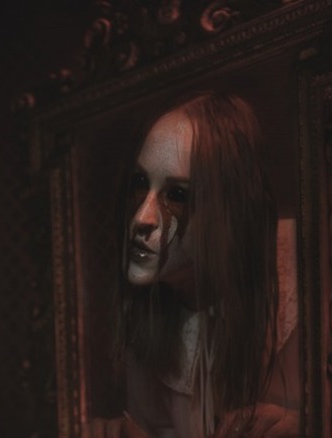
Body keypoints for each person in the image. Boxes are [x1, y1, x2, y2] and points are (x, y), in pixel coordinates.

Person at [94, 92, 300, 437]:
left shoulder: (308, 272)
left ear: (230, 209)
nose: (141, 218)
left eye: (177, 195)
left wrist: (311, 423)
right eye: (140, 184)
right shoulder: (147, 312)